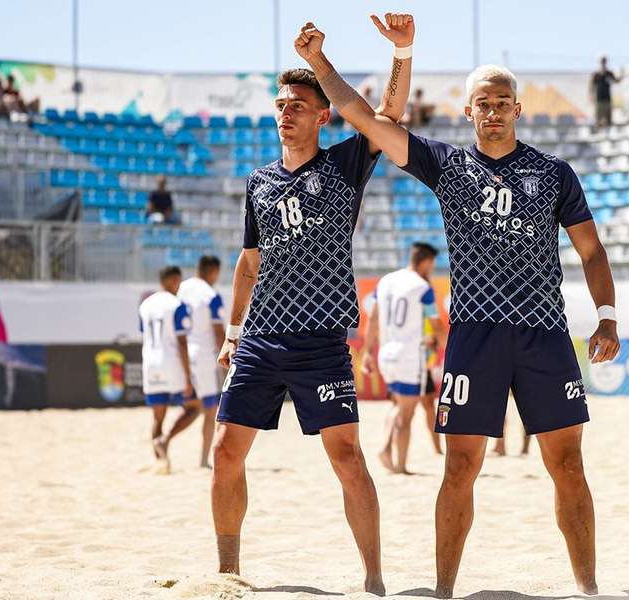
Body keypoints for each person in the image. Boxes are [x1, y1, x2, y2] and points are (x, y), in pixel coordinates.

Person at [297, 24, 621, 596]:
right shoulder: (447, 165)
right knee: (459, 467)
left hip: (544, 334)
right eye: (483, 104)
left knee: (567, 466)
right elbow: (365, 119)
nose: (493, 112)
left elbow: (591, 250)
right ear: (468, 111)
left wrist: (608, 316)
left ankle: (589, 589)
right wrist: (321, 63)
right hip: (475, 337)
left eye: (502, 103)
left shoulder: (553, 173)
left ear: (518, 109)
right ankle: (445, 591)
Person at [210, 13, 415, 591]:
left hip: (321, 340)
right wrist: (231, 333)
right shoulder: (260, 182)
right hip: (260, 339)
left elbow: (388, 117)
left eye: (298, 104)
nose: (286, 111)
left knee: (347, 458)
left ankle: (374, 578)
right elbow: (248, 264)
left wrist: (402, 53)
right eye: (280, 104)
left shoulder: (345, 164)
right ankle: (228, 573)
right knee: (226, 451)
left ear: (323, 115)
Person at [362, 242, 445, 474]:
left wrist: (368, 351)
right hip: (409, 356)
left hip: (386, 353)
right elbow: (437, 324)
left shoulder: (386, 281)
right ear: (426, 262)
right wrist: (448, 346)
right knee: (407, 415)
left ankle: (386, 448)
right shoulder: (422, 287)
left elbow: (374, 319)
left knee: (398, 406)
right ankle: (400, 464)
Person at [138, 265, 201, 474]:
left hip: (150, 362)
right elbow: (182, 343)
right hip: (172, 362)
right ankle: (165, 440)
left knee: (158, 416)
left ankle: (161, 461)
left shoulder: (145, 305)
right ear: (175, 280)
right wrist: (188, 377)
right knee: (194, 407)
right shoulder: (177, 304)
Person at [177, 255, 225, 469]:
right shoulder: (211, 295)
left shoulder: (182, 288)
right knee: (210, 409)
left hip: (183, 353)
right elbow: (218, 331)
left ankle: (164, 440)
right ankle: (204, 460)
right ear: (213, 271)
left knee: (191, 407)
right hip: (204, 356)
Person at [589, 56, 622, 129]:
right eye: (602, 62)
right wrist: (591, 97)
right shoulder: (596, 74)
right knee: (598, 120)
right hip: (599, 100)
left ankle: (607, 132)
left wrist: (620, 77)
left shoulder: (609, 73)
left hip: (607, 99)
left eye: (604, 61)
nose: (603, 63)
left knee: (608, 120)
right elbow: (591, 87)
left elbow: (616, 81)